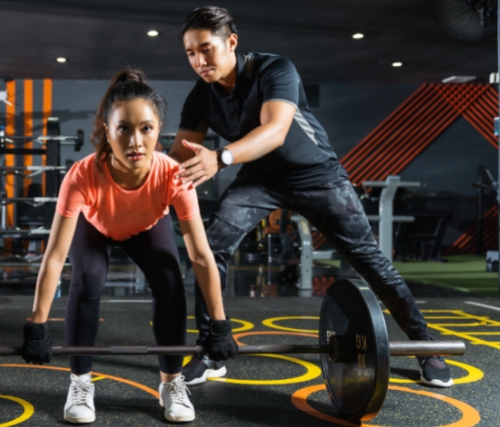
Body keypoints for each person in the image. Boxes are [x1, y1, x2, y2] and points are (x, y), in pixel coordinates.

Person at [167, 6, 453, 388]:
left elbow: (276, 131)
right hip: (260, 179)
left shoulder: (274, 69)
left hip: (316, 175)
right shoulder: (200, 97)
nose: (199, 61)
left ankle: (426, 347)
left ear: (231, 42)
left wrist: (220, 158)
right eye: (190, 53)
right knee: (209, 245)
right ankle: (213, 347)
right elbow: (179, 157)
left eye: (206, 49)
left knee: (368, 260)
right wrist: (130, 165)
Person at [21, 69, 238, 424]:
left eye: (146, 129)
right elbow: (56, 256)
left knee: (169, 280)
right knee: (87, 278)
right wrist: (37, 325)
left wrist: (219, 323)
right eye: (124, 129)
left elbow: (200, 254)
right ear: (108, 131)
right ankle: (80, 382)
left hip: (146, 228)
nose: (136, 141)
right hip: (96, 226)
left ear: (158, 130)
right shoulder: (82, 175)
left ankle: (171, 382)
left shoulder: (174, 176)